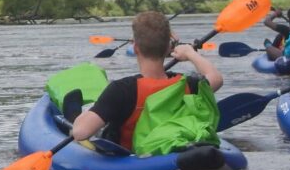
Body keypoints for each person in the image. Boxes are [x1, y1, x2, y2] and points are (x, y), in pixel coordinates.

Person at [69, 10, 224, 157]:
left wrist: (82, 118)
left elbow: (80, 132)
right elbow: (216, 79)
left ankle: (84, 112)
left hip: (134, 159)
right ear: (169, 49)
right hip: (176, 151)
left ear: (136, 48)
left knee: (90, 123)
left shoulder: (122, 90)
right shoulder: (188, 84)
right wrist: (190, 53)